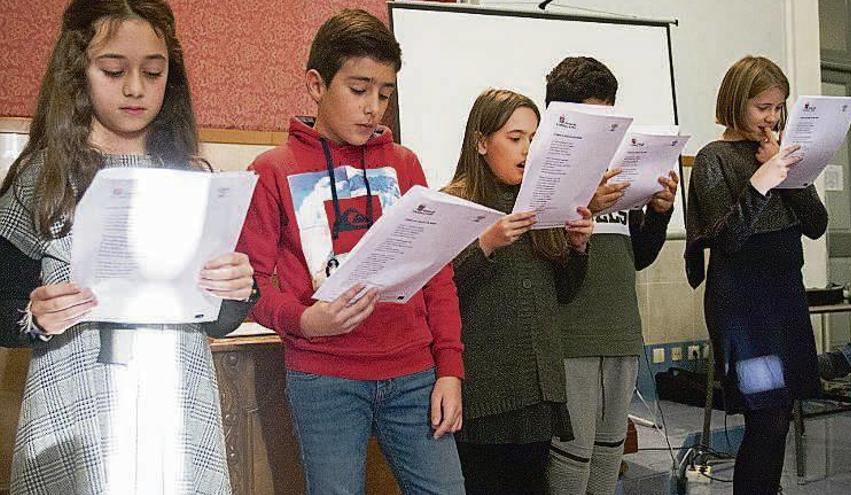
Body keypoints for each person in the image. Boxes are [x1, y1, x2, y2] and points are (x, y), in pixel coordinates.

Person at [0, 1, 257, 493]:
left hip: (175, 406)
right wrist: (33, 317)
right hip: (76, 408)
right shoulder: (44, 176)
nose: (136, 88)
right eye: (114, 71)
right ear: (78, 71)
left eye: (153, 72)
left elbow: (220, 319)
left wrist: (236, 289)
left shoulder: (190, 177)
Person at [235, 9, 466, 494]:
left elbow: (436, 274)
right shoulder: (272, 170)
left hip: (413, 373)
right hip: (325, 378)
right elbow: (249, 285)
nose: (373, 108)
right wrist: (305, 322)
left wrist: (450, 369)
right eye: (359, 90)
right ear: (317, 85)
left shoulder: (404, 165)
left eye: (385, 94)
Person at [685, 55, 827, 495]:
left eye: (778, 107)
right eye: (762, 107)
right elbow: (727, 240)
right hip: (744, 309)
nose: (772, 118)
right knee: (765, 417)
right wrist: (762, 182)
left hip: (784, 297)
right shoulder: (714, 158)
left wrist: (790, 174)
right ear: (736, 102)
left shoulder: (780, 155)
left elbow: (817, 224)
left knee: (781, 415)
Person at [542, 56, 678, 495]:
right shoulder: (546, 168)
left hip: (619, 332)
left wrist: (659, 213)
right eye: (594, 117)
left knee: (607, 459)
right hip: (571, 337)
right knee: (570, 462)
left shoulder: (619, 167)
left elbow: (636, 256)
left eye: (611, 116)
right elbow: (543, 255)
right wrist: (586, 203)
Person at [445, 88, 593, 495]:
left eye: (533, 138)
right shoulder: (454, 203)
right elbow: (438, 296)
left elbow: (563, 293)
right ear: (480, 142)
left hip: (537, 389)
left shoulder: (542, 204)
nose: (527, 150)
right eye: (515, 138)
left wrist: (578, 249)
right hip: (483, 391)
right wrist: (485, 245)